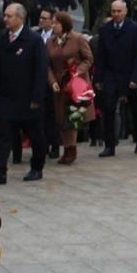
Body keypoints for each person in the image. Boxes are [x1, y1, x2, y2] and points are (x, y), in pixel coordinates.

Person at [0, 3, 50, 182]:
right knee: (4, 135)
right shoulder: (1, 37)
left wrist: (37, 97)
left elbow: (41, 70)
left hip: (28, 97)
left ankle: (37, 167)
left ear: (20, 18)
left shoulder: (34, 40)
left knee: (35, 135)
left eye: (9, 16)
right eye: (5, 15)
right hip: (7, 96)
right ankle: (0, 170)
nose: (5, 19)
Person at [94, 0, 137, 156]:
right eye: (113, 11)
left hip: (130, 73)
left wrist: (135, 77)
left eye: (119, 11)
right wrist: (98, 79)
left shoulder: (135, 29)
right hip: (111, 74)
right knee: (108, 108)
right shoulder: (105, 30)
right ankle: (110, 145)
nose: (116, 14)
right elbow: (101, 56)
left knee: (136, 109)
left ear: (125, 12)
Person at [47, 11, 94, 166]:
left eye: (56, 23)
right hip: (59, 84)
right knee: (61, 117)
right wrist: (52, 81)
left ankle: (71, 149)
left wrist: (78, 71)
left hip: (75, 83)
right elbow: (48, 65)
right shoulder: (50, 42)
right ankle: (66, 147)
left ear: (64, 24)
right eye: (52, 23)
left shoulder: (77, 38)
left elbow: (88, 58)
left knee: (73, 116)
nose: (53, 26)